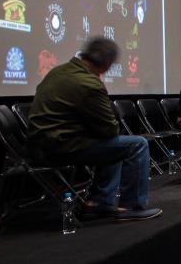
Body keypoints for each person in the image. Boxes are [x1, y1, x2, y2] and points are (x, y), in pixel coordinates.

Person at [26, 36, 161, 221]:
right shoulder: (89, 83)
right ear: (106, 65)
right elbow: (109, 130)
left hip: (39, 145)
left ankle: (98, 203)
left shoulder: (58, 71)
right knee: (137, 145)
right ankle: (131, 206)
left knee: (115, 146)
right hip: (60, 147)